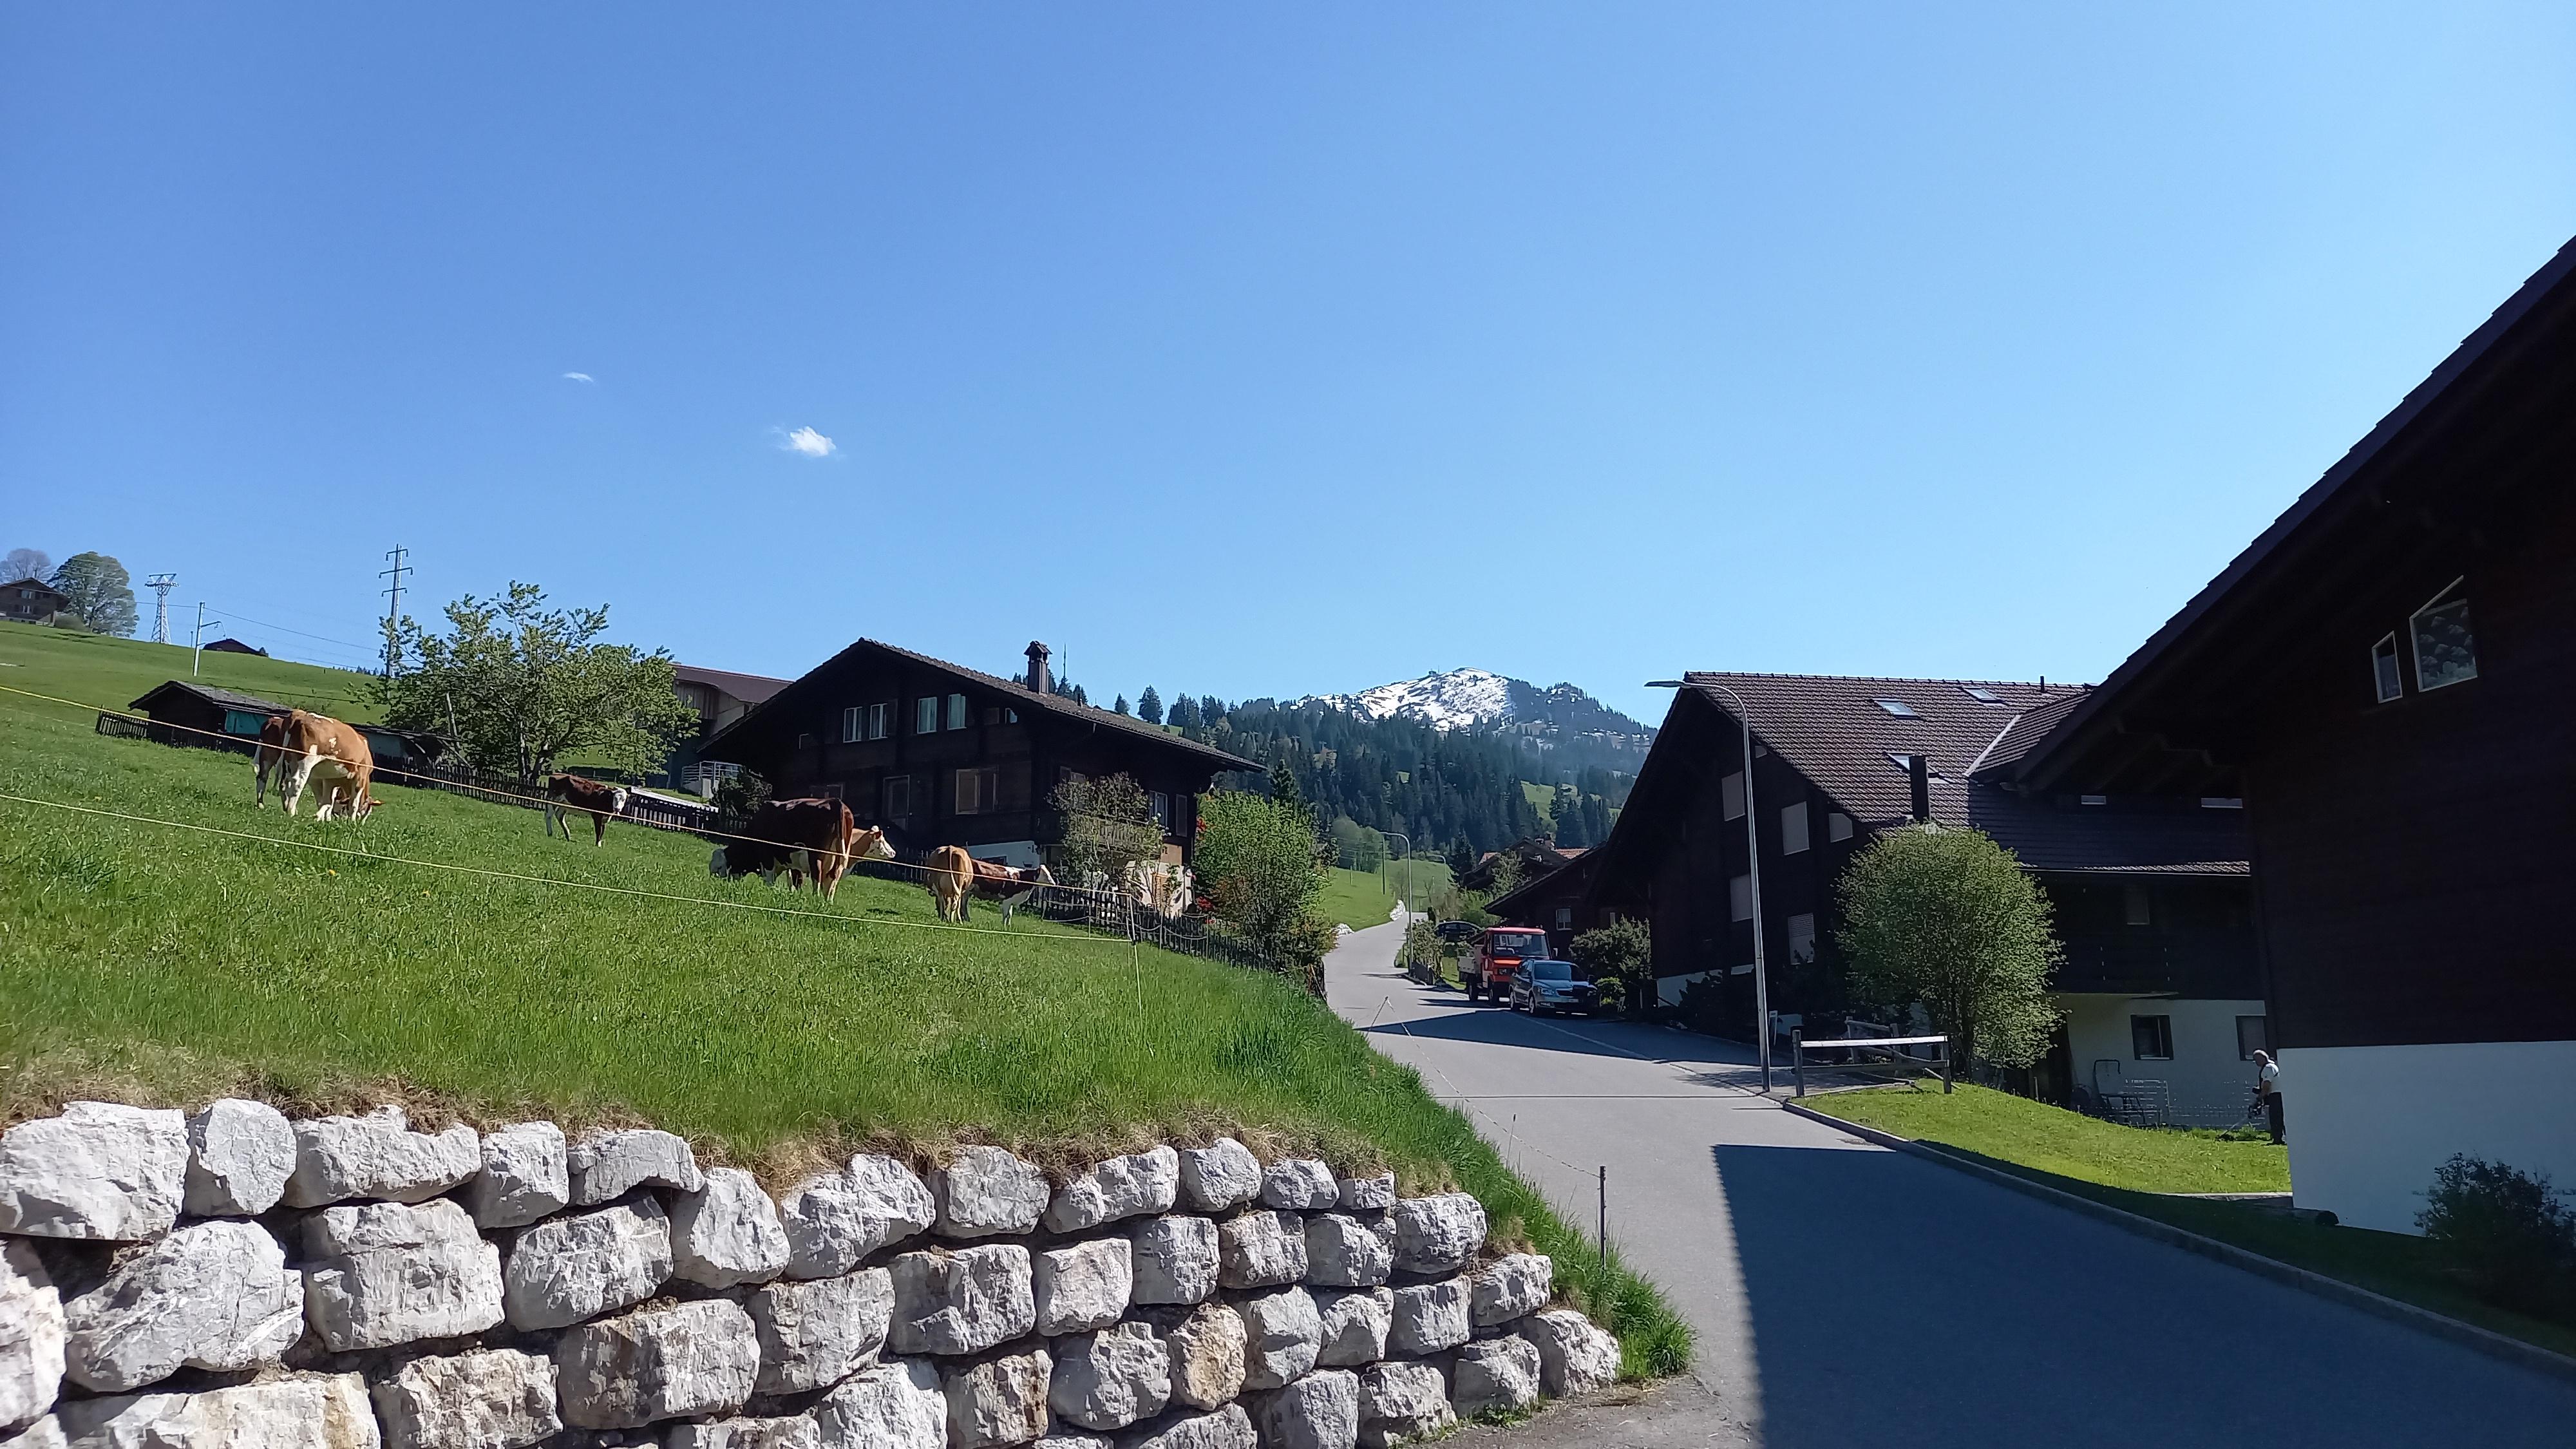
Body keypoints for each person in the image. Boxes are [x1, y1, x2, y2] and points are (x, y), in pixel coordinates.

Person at [2252, 1048, 2284, 1144]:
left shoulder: (2267, 1068)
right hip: (2279, 1095)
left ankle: (2278, 1140)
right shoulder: (2273, 1067)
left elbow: (2267, 1085)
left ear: (2262, 1058)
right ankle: (2279, 1138)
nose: (2256, 1062)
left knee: (2276, 1118)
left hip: (2275, 1096)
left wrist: (2259, 1098)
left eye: (2257, 1059)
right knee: (2279, 1118)